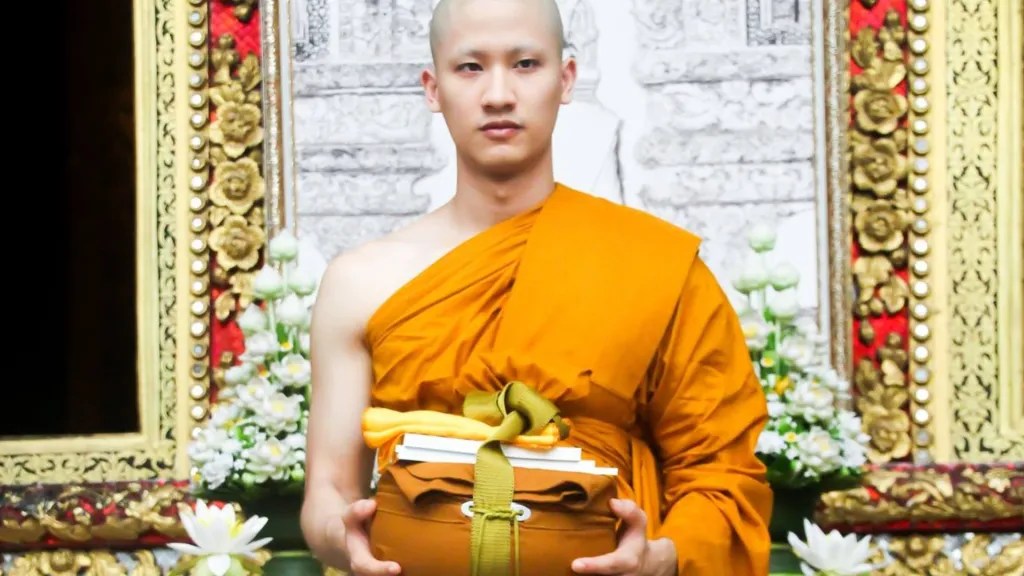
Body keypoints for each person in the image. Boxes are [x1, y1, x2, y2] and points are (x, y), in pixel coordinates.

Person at [300, 0, 773, 574]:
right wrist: (344, 540)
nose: (498, 94)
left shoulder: (653, 265)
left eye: (525, 64)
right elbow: (330, 490)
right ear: (433, 88)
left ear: (565, 79)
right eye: (470, 67)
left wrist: (662, 558)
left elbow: (722, 474)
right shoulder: (360, 282)